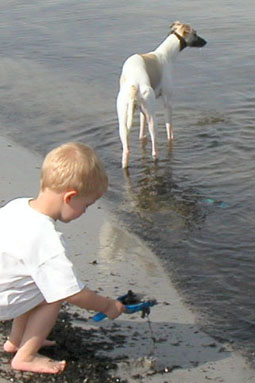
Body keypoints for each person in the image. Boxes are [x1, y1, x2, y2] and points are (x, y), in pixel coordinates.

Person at [0, 142, 125, 374]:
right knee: (53, 296)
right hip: (3, 299)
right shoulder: (46, 239)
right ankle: (25, 356)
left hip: (5, 284)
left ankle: (16, 341)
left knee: (33, 281)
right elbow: (72, 293)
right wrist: (107, 305)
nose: (85, 211)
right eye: (86, 205)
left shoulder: (17, 206)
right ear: (70, 197)